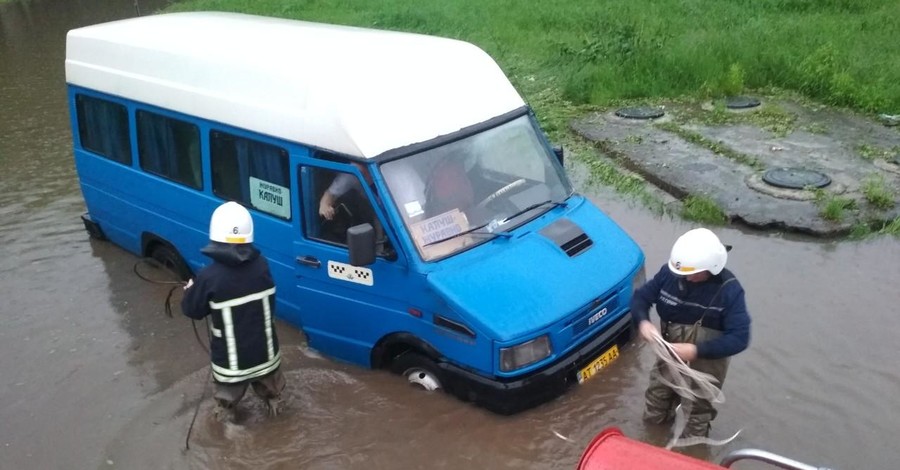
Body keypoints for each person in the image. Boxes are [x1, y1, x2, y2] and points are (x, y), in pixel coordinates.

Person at [631, 227, 751, 439]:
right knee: (656, 399)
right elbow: (640, 298)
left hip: (706, 363)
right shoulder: (669, 274)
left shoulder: (730, 291)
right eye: (682, 273)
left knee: (697, 413)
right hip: (669, 355)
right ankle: (652, 442)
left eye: (692, 274)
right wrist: (643, 323)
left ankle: (692, 452)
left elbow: (740, 338)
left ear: (712, 267)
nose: (685, 278)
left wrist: (696, 350)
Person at [182, 201, 286, 421]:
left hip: (231, 367)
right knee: (274, 397)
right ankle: (277, 415)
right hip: (266, 357)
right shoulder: (262, 266)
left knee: (226, 409)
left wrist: (191, 291)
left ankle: (230, 437)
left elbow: (192, 310)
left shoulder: (208, 277)